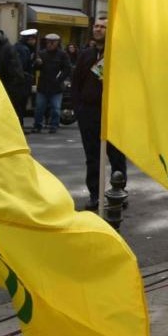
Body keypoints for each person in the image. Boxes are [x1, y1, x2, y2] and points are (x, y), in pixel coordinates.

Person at [73, 17, 126, 211]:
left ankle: (118, 192)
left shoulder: (117, 54)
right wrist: (79, 109)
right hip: (89, 113)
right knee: (92, 156)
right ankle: (95, 194)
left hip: (112, 113)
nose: (98, 29)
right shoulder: (85, 55)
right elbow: (76, 83)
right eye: (96, 26)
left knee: (116, 156)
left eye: (103, 27)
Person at [33, 33, 70, 134]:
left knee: (56, 108)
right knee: (39, 108)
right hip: (43, 85)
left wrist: (59, 79)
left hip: (56, 87)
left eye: (53, 42)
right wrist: (37, 64)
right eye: (49, 42)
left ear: (57, 43)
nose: (50, 44)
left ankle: (54, 125)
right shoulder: (41, 53)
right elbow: (35, 68)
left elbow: (67, 69)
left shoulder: (62, 54)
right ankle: (37, 125)